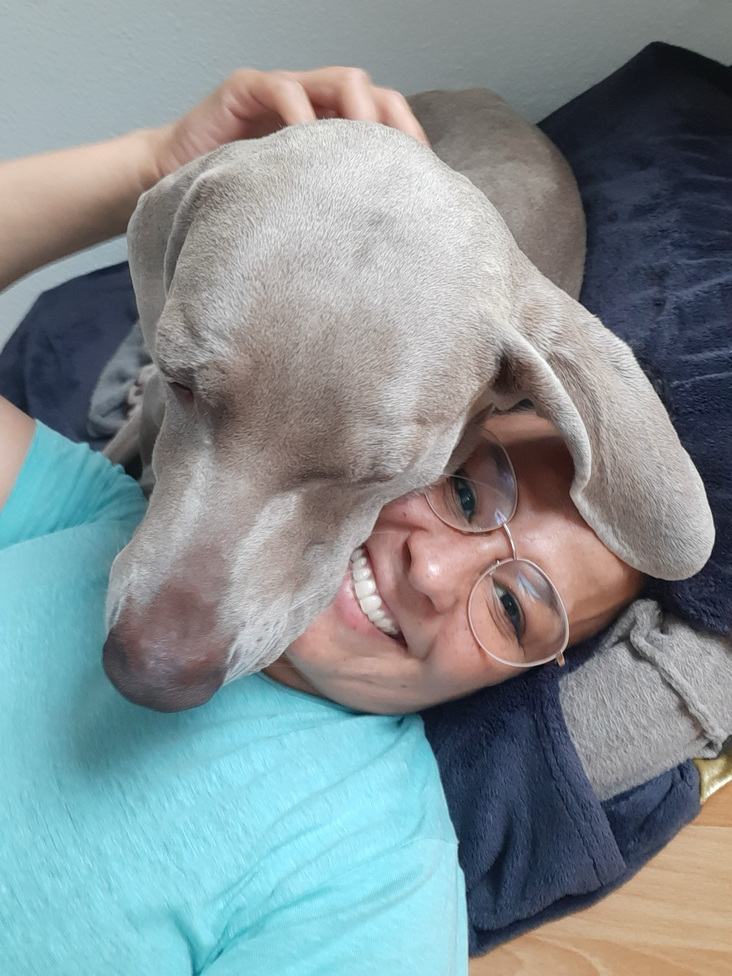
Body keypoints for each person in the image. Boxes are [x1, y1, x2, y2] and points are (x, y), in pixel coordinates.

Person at [0, 66, 664, 975]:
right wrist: (145, 162)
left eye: (513, 607)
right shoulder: (85, 510)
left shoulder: (376, 878)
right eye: (465, 496)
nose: (433, 571)